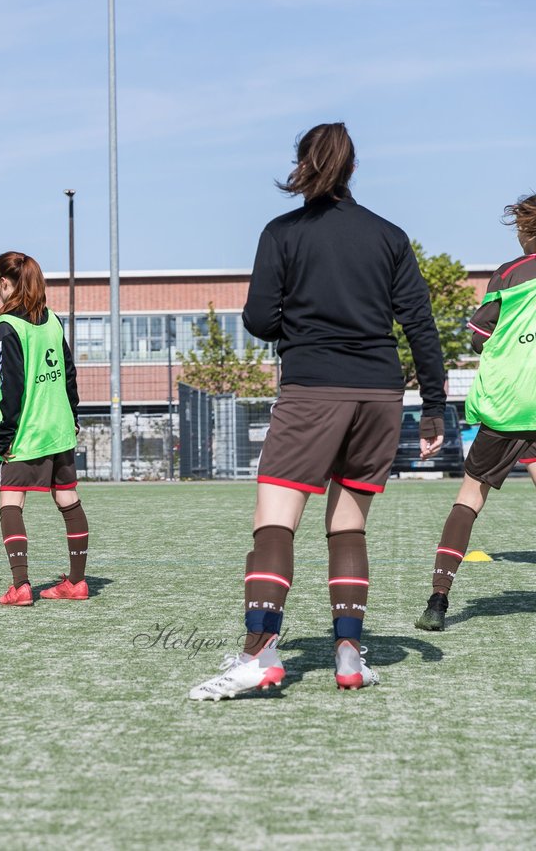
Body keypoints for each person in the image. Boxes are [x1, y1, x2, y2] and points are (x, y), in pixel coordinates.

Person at [188, 123, 447, 700]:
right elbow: (420, 326)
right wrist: (434, 408)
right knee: (347, 525)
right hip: (380, 395)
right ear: (353, 168)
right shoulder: (389, 235)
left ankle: (259, 656)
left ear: (301, 166)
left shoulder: (282, 233)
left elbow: (258, 319)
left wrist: (300, 324)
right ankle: (349, 657)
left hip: (312, 390)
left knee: (275, 522)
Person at [416, 194, 536, 630]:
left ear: (525, 230)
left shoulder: (508, 274)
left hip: (508, 405)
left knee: (469, 499)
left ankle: (438, 601)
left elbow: (478, 338)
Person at [0, 252, 87, 607]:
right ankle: (77, 582)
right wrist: (72, 413)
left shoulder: (6, 324)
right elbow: (70, 372)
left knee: (11, 502)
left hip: (27, 430)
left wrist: (5, 434)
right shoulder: (53, 320)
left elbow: (11, 383)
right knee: (67, 498)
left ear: (3, 282)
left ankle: (21, 587)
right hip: (59, 426)